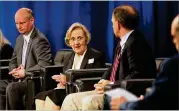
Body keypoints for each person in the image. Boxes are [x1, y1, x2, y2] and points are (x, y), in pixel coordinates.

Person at [60, 5, 157, 110]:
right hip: (114, 89)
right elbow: (113, 68)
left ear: (118, 24)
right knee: (71, 99)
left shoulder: (137, 43)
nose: (112, 26)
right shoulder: (122, 42)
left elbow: (137, 76)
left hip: (126, 93)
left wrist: (110, 85)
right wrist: (102, 81)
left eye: (112, 23)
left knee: (89, 101)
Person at [110, 15, 179, 110]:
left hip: (130, 92)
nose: (174, 41)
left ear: (118, 24)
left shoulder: (173, 66)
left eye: (175, 36)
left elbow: (153, 102)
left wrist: (124, 105)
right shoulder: (121, 44)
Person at [34, 22, 106, 110]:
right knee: (40, 97)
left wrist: (68, 80)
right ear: (69, 42)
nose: (76, 42)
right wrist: (62, 82)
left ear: (86, 39)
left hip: (80, 91)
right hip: (66, 89)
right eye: (72, 39)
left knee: (52, 98)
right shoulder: (69, 57)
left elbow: (94, 80)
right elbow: (65, 75)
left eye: (79, 38)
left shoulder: (96, 56)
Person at [0, 8, 53, 110]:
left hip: (32, 81)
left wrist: (25, 72)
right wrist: (14, 70)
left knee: (12, 88)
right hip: (19, 79)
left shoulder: (40, 40)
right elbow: (13, 61)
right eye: (16, 23)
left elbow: (44, 65)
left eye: (22, 23)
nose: (18, 27)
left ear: (31, 21)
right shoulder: (19, 39)